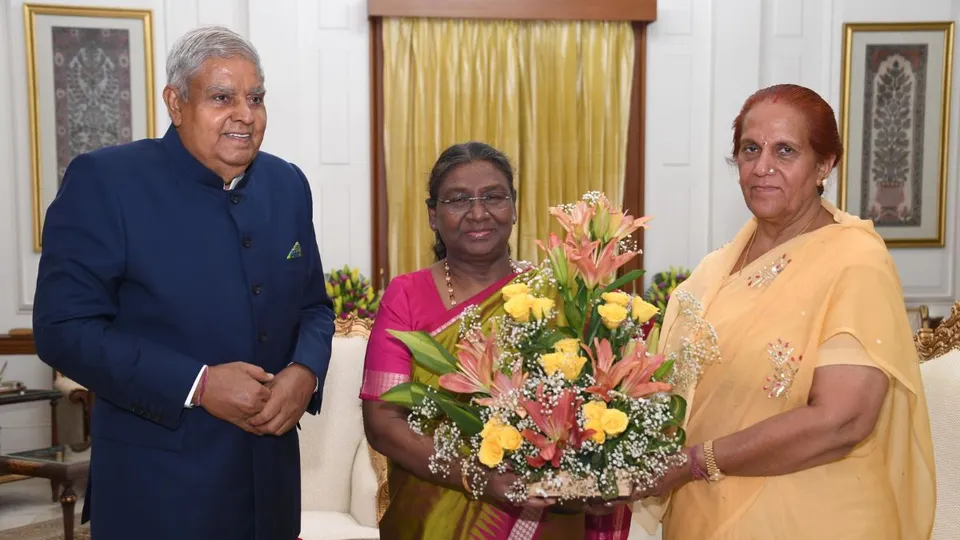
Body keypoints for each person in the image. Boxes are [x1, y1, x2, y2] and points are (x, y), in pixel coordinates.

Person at [32, 26, 335, 540]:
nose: (245, 114)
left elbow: (314, 307)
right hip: (157, 493)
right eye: (222, 97)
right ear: (175, 103)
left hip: (272, 489)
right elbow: (63, 329)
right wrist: (198, 384)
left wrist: (305, 371)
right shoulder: (106, 181)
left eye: (255, 98)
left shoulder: (287, 184)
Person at [632, 84, 937, 539]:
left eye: (785, 151)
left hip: (813, 517)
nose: (762, 167)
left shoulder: (856, 261)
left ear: (824, 165)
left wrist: (696, 461)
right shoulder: (716, 268)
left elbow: (842, 420)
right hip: (704, 511)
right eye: (750, 149)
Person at [360, 142, 634, 539]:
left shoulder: (559, 296)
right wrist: (477, 476)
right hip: (434, 516)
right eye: (458, 200)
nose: (478, 212)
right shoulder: (406, 296)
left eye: (493, 197)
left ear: (514, 207)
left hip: (548, 516)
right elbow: (382, 423)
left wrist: (592, 476)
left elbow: (599, 405)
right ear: (433, 215)